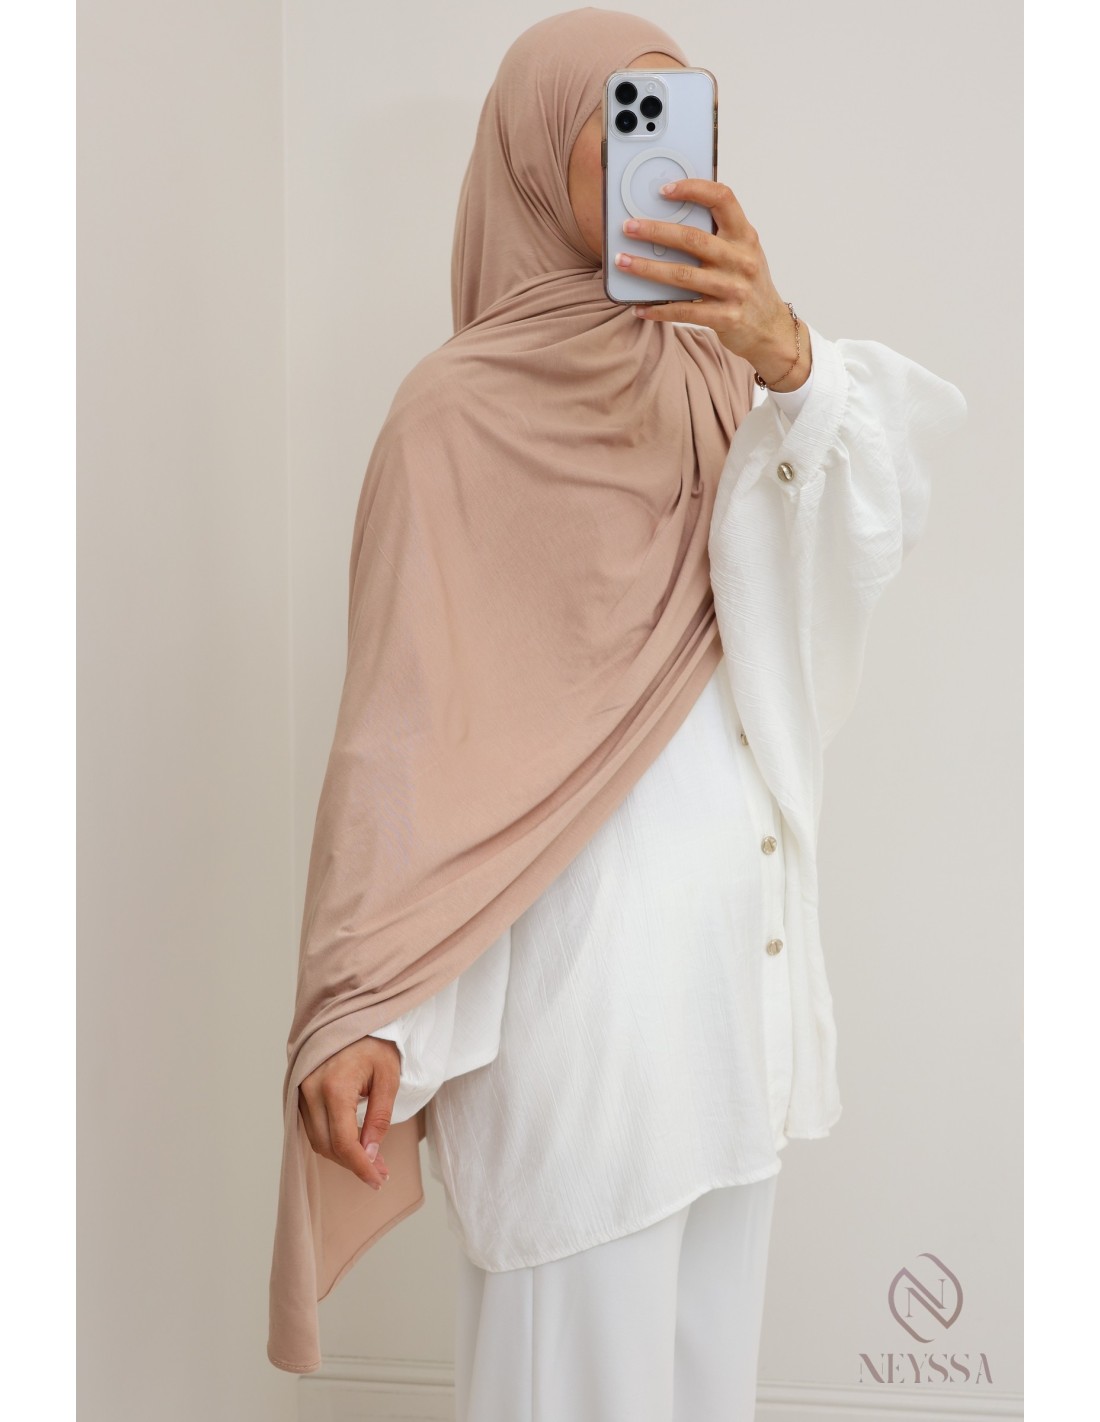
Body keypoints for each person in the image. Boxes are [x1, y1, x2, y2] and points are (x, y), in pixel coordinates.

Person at [268, 9, 967, 1416]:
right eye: (626, 119)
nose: (671, 151)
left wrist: (787, 352)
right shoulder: (451, 415)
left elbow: (858, 552)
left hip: (733, 1007)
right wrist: (375, 1009)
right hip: (582, 1038)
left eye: (687, 114)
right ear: (536, 156)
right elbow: (405, 740)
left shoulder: (723, 383)